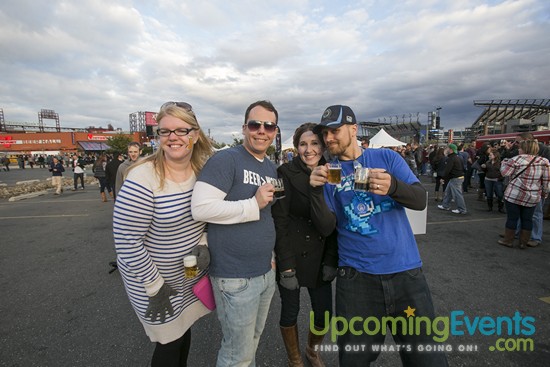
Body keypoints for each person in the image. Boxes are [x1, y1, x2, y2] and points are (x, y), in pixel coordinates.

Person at [309, 105, 448, 367]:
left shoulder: (386, 159)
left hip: (406, 272)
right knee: (354, 358)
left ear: (353, 128)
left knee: (426, 357)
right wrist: (316, 191)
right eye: (325, 133)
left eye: (335, 131)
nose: (328, 139)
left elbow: (419, 200)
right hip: (356, 278)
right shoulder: (331, 171)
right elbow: (327, 227)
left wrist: (393, 186)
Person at [113, 101, 214, 366]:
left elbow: (209, 216)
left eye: (181, 130)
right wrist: (155, 286)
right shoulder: (142, 178)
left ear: (194, 134)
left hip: (188, 275)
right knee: (169, 343)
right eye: (165, 131)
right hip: (154, 283)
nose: (173, 137)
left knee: (183, 331)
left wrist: (203, 244)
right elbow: (127, 242)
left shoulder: (202, 171)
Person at [191, 100, 279, 367]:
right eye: (255, 124)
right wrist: (252, 204)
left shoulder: (269, 167)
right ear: (244, 128)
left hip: (265, 272)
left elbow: (267, 216)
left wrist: (271, 255)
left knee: (251, 343)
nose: (262, 130)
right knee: (236, 355)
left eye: (269, 125)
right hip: (235, 277)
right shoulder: (226, 159)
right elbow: (201, 208)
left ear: (275, 131)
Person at [272, 122, 338, 367]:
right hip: (293, 253)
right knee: (290, 312)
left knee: (323, 313)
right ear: (296, 146)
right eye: (303, 144)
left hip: (321, 255)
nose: (309, 150)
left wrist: (332, 259)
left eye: (314, 143)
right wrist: (286, 265)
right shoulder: (285, 173)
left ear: (322, 145)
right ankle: (295, 358)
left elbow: (336, 221)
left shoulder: (332, 171)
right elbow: (280, 221)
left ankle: (311, 350)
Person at [498, 140, 550, 249]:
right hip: (532, 196)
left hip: (514, 194)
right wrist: (544, 194)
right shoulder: (544, 161)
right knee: (528, 219)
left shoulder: (516, 160)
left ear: (524, 148)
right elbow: (546, 181)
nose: (518, 149)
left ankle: (508, 240)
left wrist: (503, 163)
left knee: (512, 218)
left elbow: (504, 173)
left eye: (520, 148)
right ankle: (523, 242)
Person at [437, 143, 467, 214]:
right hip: (457, 177)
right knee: (448, 192)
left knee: (457, 195)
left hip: (455, 178)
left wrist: (443, 178)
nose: (446, 149)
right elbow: (463, 167)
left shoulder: (451, 159)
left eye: (447, 148)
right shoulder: (458, 157)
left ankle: (462, 209)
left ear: (451, 150)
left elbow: (448, 170)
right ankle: (445, 205)